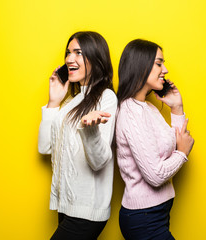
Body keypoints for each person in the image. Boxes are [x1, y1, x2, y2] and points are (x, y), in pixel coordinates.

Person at [38, 31, 117, 240]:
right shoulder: (70, 103)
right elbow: (45, 147)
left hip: (87, 211)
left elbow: (99, 161)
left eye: (78, 53)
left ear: (96, 58)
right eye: (68, 52)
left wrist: (89, 129)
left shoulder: (106, 97)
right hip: (65, 207)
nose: (69, 59)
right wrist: (53, 103)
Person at [115, 39, 194, 240]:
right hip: (144, 219)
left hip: (156, 214)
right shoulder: (131, 112)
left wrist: (176, 108)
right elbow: (156, 175)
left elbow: (173, 145)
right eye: (159, 63)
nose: (165, 70)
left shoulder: (147, 108)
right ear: (141, 66)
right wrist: (183, 153)